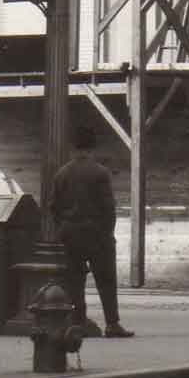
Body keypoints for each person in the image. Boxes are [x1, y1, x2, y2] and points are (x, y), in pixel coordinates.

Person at [51, 122, 134, 340]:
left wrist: (63, 228)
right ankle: (112, 324)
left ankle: (78, 324)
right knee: (106, 280)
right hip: (97, 234)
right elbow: (108, 208)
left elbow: (54, 208)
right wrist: (108, 234)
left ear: (74, 147)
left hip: (71, 234)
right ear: (92, 148)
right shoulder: (100, 173)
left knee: (75, 282)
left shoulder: (61, 174)